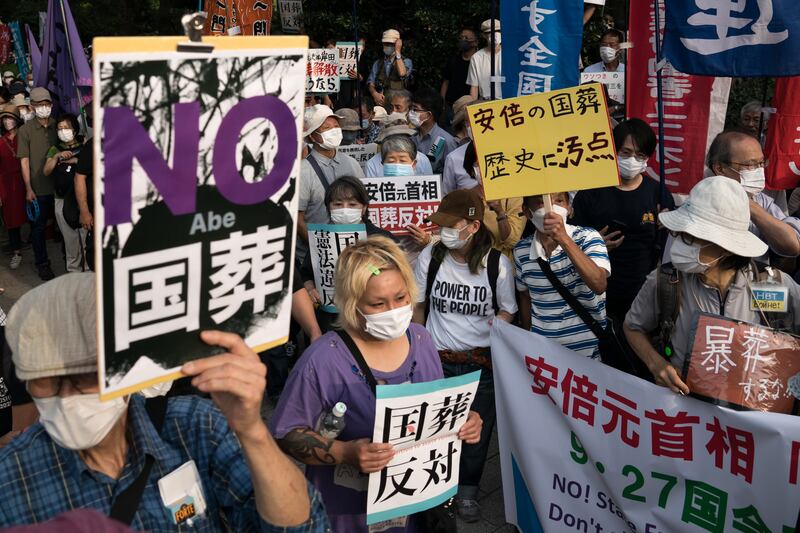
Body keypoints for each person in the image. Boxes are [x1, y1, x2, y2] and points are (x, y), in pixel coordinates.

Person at [0, 273, 329, 530]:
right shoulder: (11, 478)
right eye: (46, 381)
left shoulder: (195, 427)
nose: (68, 395)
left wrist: (252, 430)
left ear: (126, 367)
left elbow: (303, 526)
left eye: (86, 376)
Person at [271, 236, 483, 533]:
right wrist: (344, 452)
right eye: (377, 303)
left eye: (400, 298)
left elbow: (436, 408)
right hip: (348, 515)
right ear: (352, 304)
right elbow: (286, 433)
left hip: (416, 507)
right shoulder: (323, 360)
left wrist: (465, 420)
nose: (393, 310)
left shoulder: (420, 340)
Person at [624, 176, 800, 394]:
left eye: (691, 237)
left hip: (755, 419)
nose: (679, 242)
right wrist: (656, 364)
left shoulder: (768, 287)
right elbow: (633, 327)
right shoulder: (667, 282)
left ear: (725, 247)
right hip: (688, 415)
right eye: (679, 234)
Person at [412, 189, 516, 523]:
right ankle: (435, 485)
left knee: (476, 432)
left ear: (472, 226)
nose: (442, 231)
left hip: (479, 365)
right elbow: (418, 304)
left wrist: (489, 333)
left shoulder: (497, 265)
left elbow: (508, 311)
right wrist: (419, 344)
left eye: (449, 225)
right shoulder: (432, 256)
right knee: (435, 429)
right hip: (437, 360)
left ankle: (468, 491)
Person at [572, 119, 674, 323]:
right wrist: (594, 243)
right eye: (625, 153)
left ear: (647, 158)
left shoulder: (658, 194)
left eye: (640, 155)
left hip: (642, 294)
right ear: (613, 150)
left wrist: (670, 223)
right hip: (595, 293)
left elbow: (668, 249)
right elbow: (571, 242)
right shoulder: (590, 192)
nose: (632, 160)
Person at [514, 192, 611, 359]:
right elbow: (525, 296)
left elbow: (599, 284)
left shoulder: (588, 237)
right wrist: (527, 341)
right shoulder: (521, 250)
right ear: (527, 212)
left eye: (559, 201)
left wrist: (563, 239)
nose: (551, 209)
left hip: (588, 356)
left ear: (569, 208)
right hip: (544, 356)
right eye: (540, 203)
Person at [301, 176, 396, 332]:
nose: (345, 209)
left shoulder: (382, 239)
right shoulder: (321, 237)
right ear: (328, 207)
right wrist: (310, 289)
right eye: (338, 204)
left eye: (352, 204)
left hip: (372, 319)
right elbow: (306, 274)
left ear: (364, 207)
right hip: (331, 320)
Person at [705, 130, 800, 258]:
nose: (759, 170)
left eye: (761, 163)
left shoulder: (760, 200)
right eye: (750, 165)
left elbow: (792, 246)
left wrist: (748, 204)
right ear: (720, 169)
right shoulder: (702, 200)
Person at [298, 104, 365, 265]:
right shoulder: (303, 171)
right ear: (313, 136)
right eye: (326, 128)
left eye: (336, 126)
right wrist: (319, 248)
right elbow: (298, 218)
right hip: (317, 256)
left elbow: (364, 204)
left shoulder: (352, 164)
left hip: (353, 253)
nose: (334, 130)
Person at [17, 87, 58, 281]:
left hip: (59, 187)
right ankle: (42, 264)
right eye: (39, 105)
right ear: (32, 107)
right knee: (38, 228)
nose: (44, 108)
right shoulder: (25, 130)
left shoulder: (58, 126)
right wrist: (28, 188)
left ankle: (71, 260)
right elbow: (23, 161)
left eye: (46, 104)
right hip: (38, 188)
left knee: (63, 224)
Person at [43, 113, 87, 273]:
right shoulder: (55, 149)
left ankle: (89, 275)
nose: (63, 131)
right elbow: (46, 171)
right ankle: (74, 275)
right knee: (71, 242)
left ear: (74, 130)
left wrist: (78, 161)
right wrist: (56, 157)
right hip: (62, 200)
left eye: (66, 128)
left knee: (86, 240)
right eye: (60, 129)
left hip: (83, 200)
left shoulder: (85, 145)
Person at [0, 105, 26, 270]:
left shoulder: (24, 137)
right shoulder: (1, 142)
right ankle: (17, 251)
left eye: (10, 118)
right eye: (4, 119)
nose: (7, 122)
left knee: (32, 213)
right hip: (7, 184)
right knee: (11, 219)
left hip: (26, 179)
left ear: (17, 120)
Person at [409, 88, 457, 174]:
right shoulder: (410, 136)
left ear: (429, 115)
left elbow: (452, 173)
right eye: (411, 108)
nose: (411, 112)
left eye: (415, 109)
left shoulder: (446, 141)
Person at [364, 117, 433, 177]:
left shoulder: (422, 159)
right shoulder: (372, 164)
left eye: (403, 160)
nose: (398, 142)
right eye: (391, 161)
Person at [367, 30, 413, 107]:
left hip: (399, 104)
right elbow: (371, 83)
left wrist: (398, 52)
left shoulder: (406, 61)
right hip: (381, 103)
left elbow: (402, 74)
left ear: (397, 44)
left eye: (391, 44)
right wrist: (374, 94)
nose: (388, 46)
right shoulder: (378, 63)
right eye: (386, 44)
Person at [440, 28, 478, 108]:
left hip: (470, 105)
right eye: (461, 37)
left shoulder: (479, 61)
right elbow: (446, 82)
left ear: (475, 42)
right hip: (451, 104)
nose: (463, 40)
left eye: (466, 38)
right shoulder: (453, 60)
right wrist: (442, 103)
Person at [467, 19, 502, 100]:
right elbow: (474, 87)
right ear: (483, 35)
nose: (495, 34)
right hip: (485, 103)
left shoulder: (509, 55)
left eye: (498, 31)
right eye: (489, 32)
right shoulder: (476, 58)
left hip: (508, 103)